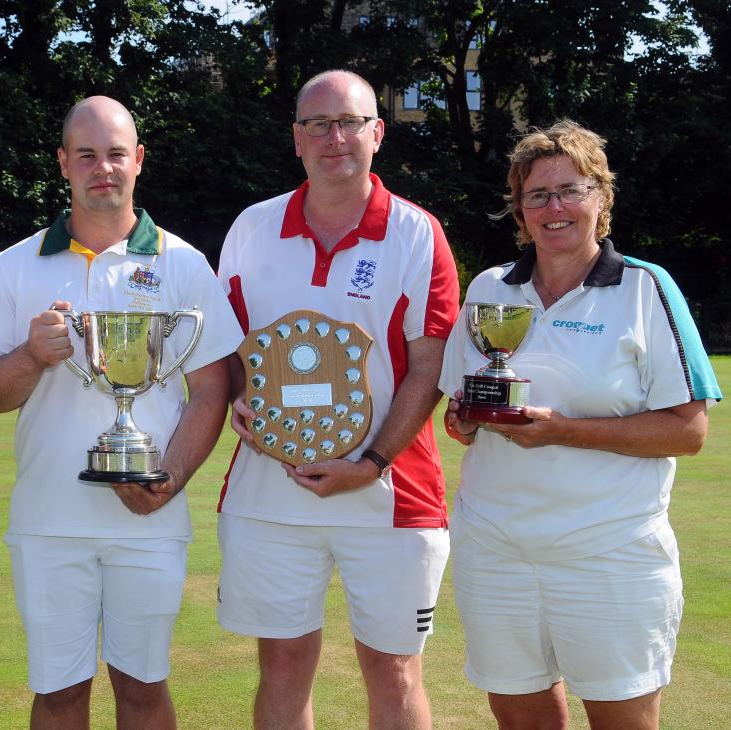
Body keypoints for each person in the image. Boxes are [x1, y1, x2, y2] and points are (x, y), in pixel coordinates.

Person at [0, 96, 241, 729]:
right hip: (49, 520)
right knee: (59, 694)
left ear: (138, 159)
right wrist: (30, 357)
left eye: (116, 154)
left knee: (142, 688)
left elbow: (213, 388)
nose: (103, 168)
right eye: (86, 155)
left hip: (149, 519)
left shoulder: (182, 262)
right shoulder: (16, 264)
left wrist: (168, 479)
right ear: (64, 163)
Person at [439, 120, 721, 729]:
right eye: (537, 195)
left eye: (571, 190)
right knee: (520, 717)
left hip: (608, 551)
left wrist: (566, 430)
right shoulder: (489, 288)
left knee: (623, 720)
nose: (555, 207)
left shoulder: (646, 288)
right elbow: (462, 406)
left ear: (601, 196)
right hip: (495, 550)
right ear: (520, 210)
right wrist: (464, 420)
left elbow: (688, 430)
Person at [217, 70, 460, 728]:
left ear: (377, 133)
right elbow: (230, 349)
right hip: (270, 489)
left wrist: (371, 462)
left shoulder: (416, 232)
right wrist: (240, 395)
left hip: (392, 492)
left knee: (394, 669)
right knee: (282, 664)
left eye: (349, 122)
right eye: (318, 124)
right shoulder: (252, 228)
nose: (335, 138)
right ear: (297, 138)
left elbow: (430, 366)